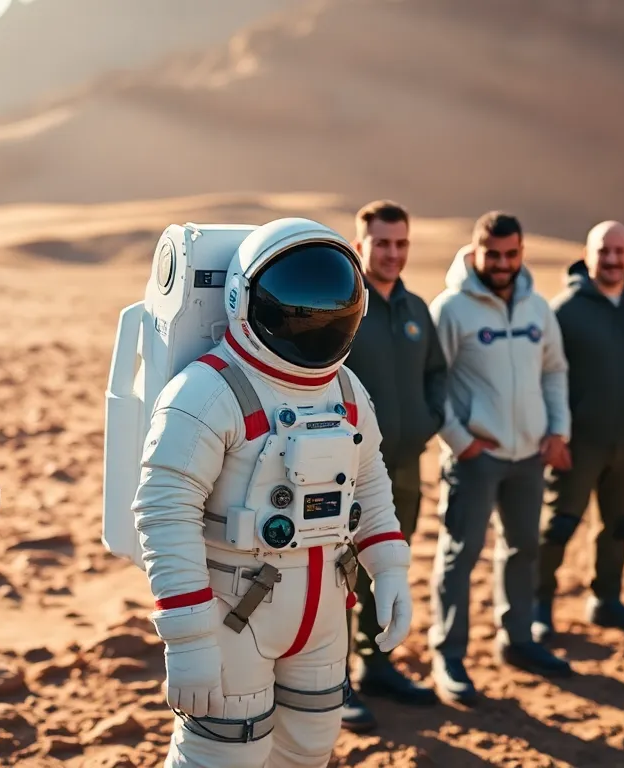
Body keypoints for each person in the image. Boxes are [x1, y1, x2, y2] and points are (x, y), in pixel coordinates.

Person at [130, 217, 413, 767]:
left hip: (326, 608)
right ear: (243, 296)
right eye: (301, 306)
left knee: (310, 747)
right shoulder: (210, 391)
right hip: (235, 613)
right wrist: (186, 639)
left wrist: (390, 566)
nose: (317, 321)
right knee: (222, 756)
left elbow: (370, 476)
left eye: (332, 307)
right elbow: (166, 512)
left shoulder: (345, 389)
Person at [427, 210, 574, 705]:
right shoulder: (450, 309)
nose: (503, 263)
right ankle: (449, 655)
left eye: (512, 254)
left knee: (523, 549)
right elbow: (434, 382)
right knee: (460, 556)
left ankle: (518, 640)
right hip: (476, 457)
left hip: (529, 456)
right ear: (476, 250)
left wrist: (558, 431)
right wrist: (459, 440)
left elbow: (554, 370)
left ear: (522, 252)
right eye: (493, 254)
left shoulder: (538, 308)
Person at [534, 221, 624, 642]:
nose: (612, 260)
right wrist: (554, 434)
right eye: (604, 252)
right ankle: (539, 606)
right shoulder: (563, 311)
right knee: (558, 527)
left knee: (619, 526)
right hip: (579, 446)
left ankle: (607, 601)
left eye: (620, 252)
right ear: (588, 255)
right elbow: (544, 376)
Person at [338, 201, 444, 732]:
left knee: (389, 569)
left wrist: (429, 420)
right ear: (360, 246)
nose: (393, 254)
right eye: (383, 243)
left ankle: (376, 664)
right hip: (346, 474)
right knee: (342, 577)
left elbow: (436, 373)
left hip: (406, 466)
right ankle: (335, 683)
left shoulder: (416, 309)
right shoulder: (342, 308)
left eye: (401, 243)